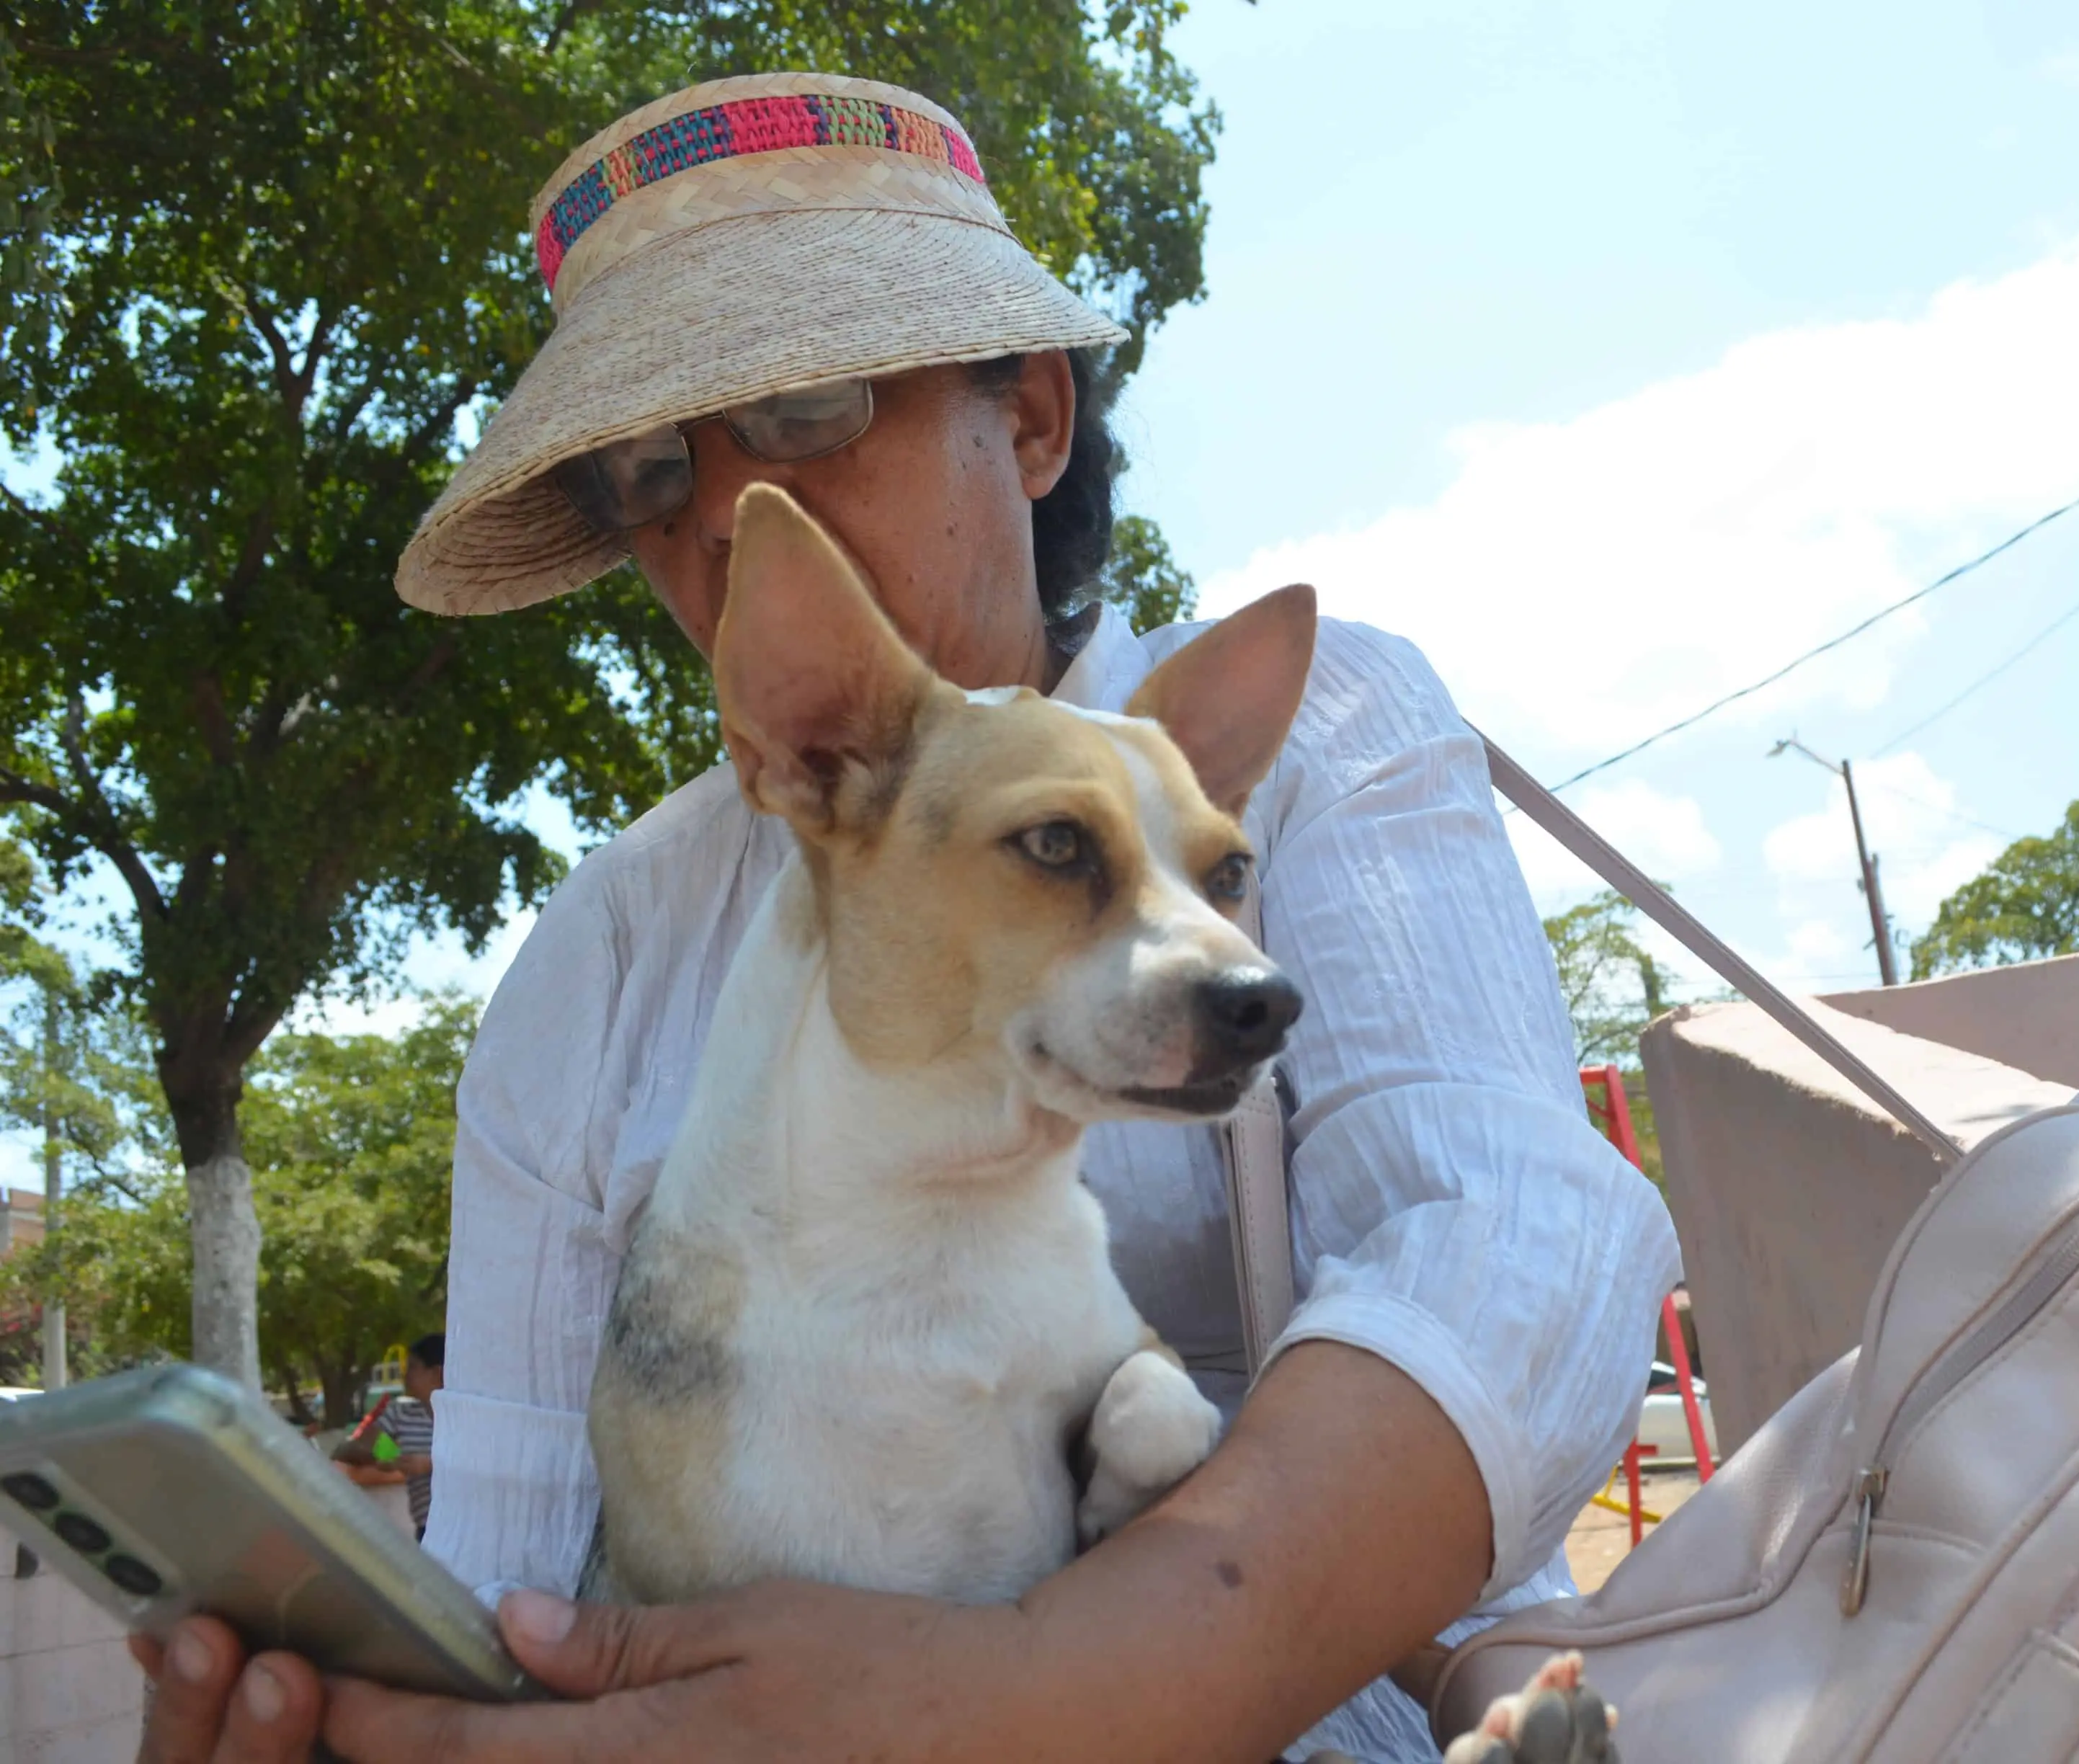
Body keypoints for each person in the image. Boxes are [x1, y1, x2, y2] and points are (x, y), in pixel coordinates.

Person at [133, 72, 1678, 1764]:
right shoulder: (600, 956)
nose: (722, 510)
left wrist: (1049, 1684)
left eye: (805, 409)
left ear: (1026, 417)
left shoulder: (1301, 744)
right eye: (653, 470)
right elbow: (514, 1559)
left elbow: (1510, 1243)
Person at [331, 1336, 443, 1539]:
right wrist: (389, 1457)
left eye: (412, 1367)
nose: (404, 1375)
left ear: (436, 1373)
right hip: (428, 1531)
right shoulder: (402, 1413)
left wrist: (430, 1464)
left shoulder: (467, 1417)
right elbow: (351, 1449)